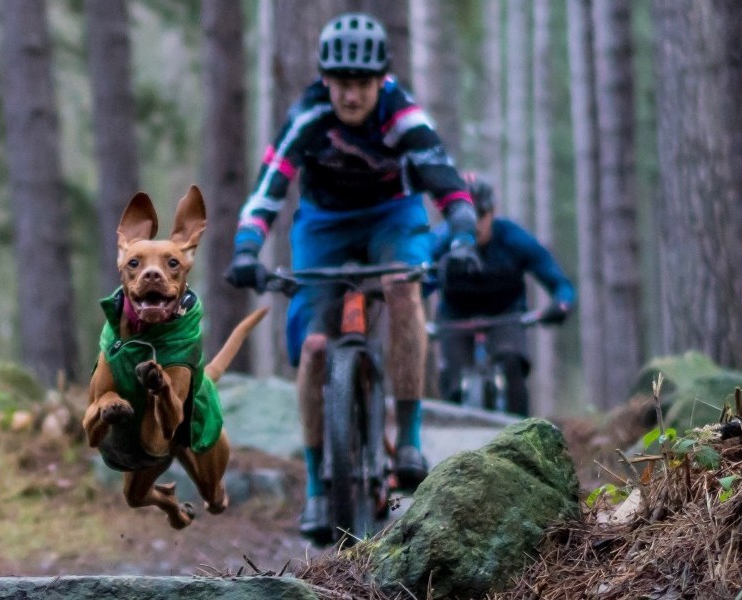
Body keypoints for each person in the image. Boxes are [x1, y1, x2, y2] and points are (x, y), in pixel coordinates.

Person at [223, 12, 480, 541]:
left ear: (380, 80)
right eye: (341, 83)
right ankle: (319, 488)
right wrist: (247, 249)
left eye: (361, 83)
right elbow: (268, 189)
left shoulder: (402, 113)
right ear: (326, 80)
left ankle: (408, 439)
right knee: (316, 349)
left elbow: (446, 180)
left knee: (404, 287)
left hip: (393, 216)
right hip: (324, 225)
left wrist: (461, 232)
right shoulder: (309, 115)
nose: (351, 95)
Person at [431, 172, 575, 417]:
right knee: (452, 384)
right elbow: (418, 277)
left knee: (512, 362)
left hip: (505, 315)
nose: (474, 225)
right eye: (464, 218)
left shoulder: (513, 238)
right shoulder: (441, 241)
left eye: (480, 215)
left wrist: (561, 304)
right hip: (456, 317)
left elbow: (559, 282)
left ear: (493, 212)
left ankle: (522, 437)